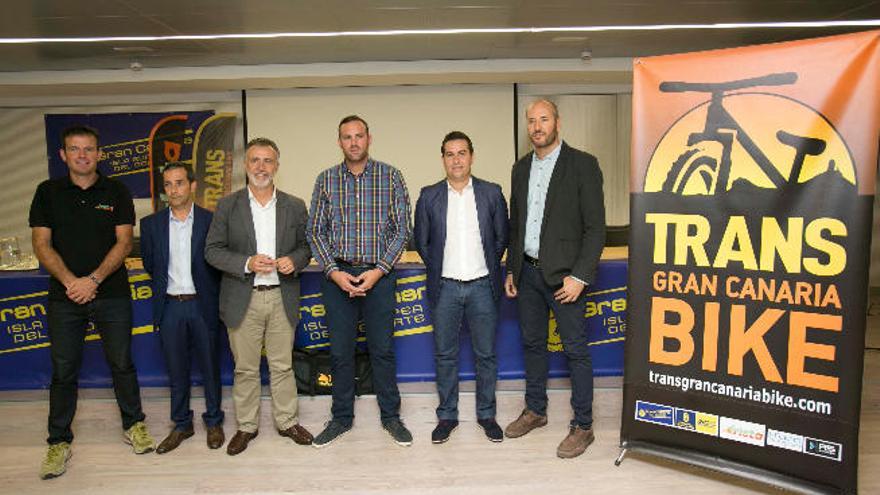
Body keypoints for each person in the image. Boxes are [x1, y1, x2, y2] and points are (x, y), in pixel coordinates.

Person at [30, 125, 155, 479]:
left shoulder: (116, 191)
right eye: (75, 149)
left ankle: (135, 426)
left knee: (122, 364)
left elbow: (124, 242)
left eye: (89, 149)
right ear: (63, 155)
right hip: (65, 296)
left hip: (111, 293)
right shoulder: (47, 192)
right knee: (64, 371)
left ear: (99, 154)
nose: (82, 155)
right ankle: (58, 441)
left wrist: (94, 280)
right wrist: (73, 283)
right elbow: (41, 244)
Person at [504, 99, 606, 458]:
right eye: (531, 121)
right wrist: (512, 269)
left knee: (575, 351)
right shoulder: (520, 169)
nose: (537, 126)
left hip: (566, 279)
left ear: (557, 122)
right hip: (527, 274)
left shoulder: (583, 165)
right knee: (533, 345)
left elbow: (595, 229)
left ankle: (583, 425)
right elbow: (517, 226)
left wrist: (580, 276)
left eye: (543, 119)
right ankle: (536, 410)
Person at [307, 115, 413, 448]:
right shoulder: (325, 180)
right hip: (337, 275)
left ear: (369, 138)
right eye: (347, 137)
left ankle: (391, 417)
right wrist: (334, 272)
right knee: (340, 353)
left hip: (379, 276)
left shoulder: (391, 176)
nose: (354, 142)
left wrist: (379, 269)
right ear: (339, 142)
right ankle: (341, 418)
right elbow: (315, 231)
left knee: (382, 350)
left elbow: (402, 230)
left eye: (359, 136)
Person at [205, 137, 313, 455]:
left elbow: (306, 247)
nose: (261, 167)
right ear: (245, 165)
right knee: (245, 369)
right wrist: (246, 263)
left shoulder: (295, 205)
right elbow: (212, 250)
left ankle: (287, 422)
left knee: (282, 366)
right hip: (243, 297)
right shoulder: (228, 205)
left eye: (268, 161)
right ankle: (246, 427)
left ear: (277, 166)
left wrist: (295, 260)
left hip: (282, 295)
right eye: (255, 160)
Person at [413, 131, 508, 444]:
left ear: (472, 156)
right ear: (443, 159)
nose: (456, 159)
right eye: (450, 154)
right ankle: (447, 416)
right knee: (445, 355)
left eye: (462, 153)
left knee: (486, 355)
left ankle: (486, 414)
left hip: (483, 286)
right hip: (445, 289)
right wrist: (443, 271)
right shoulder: (429, 196)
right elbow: (423, 243)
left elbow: (500, 239)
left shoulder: (492, 193)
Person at [140, 162, 225, 453]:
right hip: (171, 306)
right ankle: (181, 425)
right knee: (176, 371)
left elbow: (218, 264)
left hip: (203, 305)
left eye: (179, 183)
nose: (174, 190)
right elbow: (152, 266)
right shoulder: (150, 225)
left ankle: (214, 421)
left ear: (192, 185)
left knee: (210, 368)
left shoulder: (211, 221)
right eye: (168, 184)